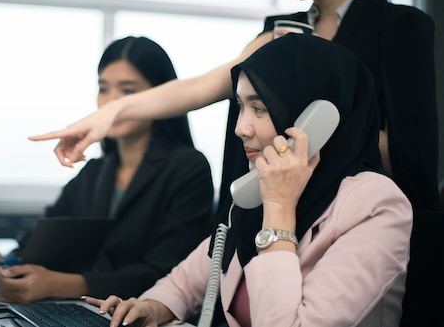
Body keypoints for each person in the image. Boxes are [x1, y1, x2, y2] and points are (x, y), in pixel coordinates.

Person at [29, 0, 439, 213]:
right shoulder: (280, 33)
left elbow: (410, 158)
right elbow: (202, 87)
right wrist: (110, 114)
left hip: (356, 226)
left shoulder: (401, 28)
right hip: (277, 224)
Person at [84, 33, 413, 327]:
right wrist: (153, 308)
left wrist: (279, 210)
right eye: (240, 107)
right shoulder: (253, 194)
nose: (241, 127)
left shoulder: (376, 206)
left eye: (259, 109)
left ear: (314, 122)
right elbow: (183, 284)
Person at [0, 36, 215, 303]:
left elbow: (169, 273)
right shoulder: (95, 171)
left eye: (128, 91)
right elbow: (39, 244)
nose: (111, 103)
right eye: (104, 89)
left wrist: (62, 284)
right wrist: (3, 263)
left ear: (161, 97)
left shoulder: (188, 169)